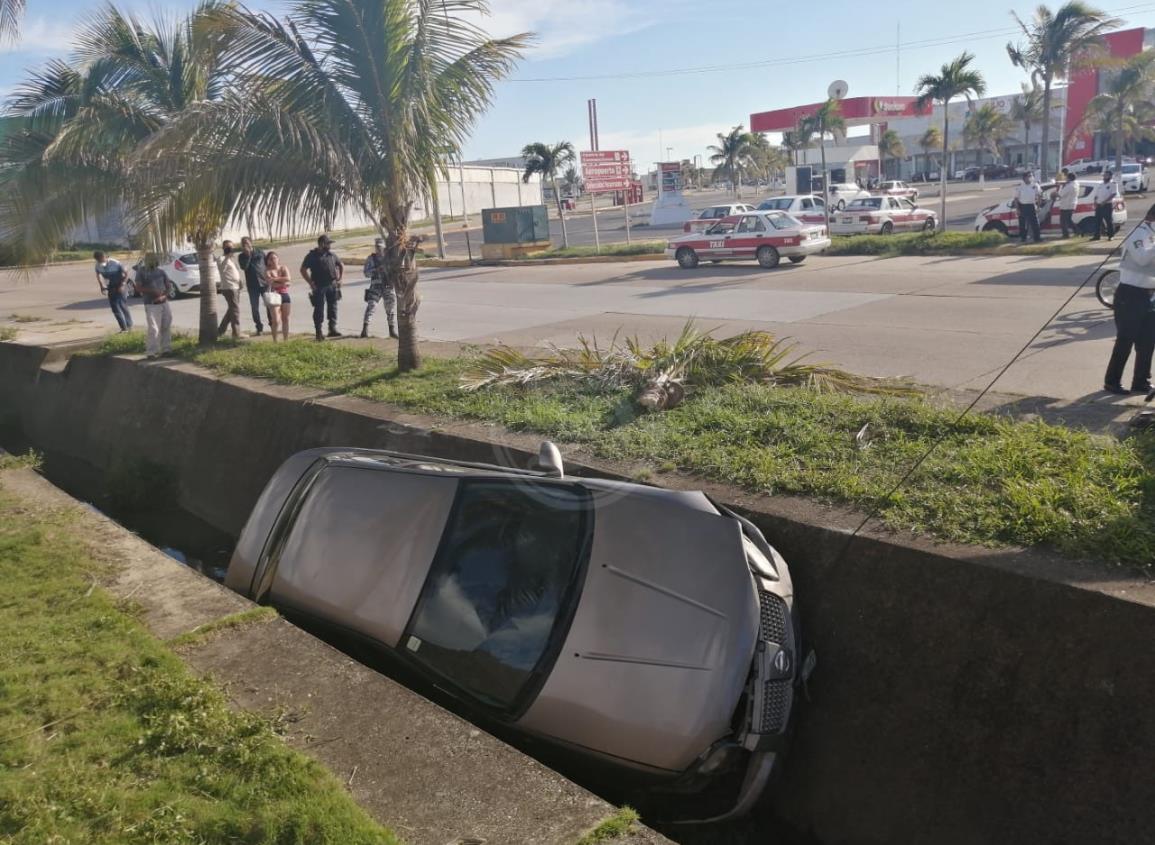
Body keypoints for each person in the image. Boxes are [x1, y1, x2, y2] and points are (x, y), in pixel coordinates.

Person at [1103, 203, 1155, 395]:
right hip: (1130, 295)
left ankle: (1141, 382)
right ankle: (1112, 381)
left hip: (1150, 296)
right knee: (1125, 340)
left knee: (1148, 342)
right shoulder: (1137, 233)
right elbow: (1142, 259)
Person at [300, 234, 344, 341]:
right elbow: (303, 270)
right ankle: (318, 332)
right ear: (322, 244)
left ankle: (332, 328)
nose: (329, 245)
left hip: (332, 285)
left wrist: (340, 279)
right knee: (319, 309)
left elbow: (341, 265)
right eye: (328, 243)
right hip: (319, 286)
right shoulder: (312, 256)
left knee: (333, 307)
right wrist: (310, 283)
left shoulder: (331, 255)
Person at [135, 254, 173, 359]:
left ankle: (166, 349)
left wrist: (163, 296)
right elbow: (138, 288)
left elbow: (168, 287)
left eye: (155, 260)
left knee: (166, 326)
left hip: (164, 303)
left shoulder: (161, 272)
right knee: (154, 329)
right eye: (151, 260)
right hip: (151, 304)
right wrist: (152, 291)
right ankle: (151, 352)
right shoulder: (141, 272)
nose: (154, 262)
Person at [361, 237, 397, 339]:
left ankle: (392, 331)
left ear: (384, 248)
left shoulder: (389, 259)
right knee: (371, 306)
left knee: (390, 309)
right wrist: (376, 270)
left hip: (388, 286)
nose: (379, 249)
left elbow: (395, 272)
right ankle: (365, 329)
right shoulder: (371, 259)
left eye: (380, 247)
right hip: (375, 286)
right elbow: (366, 273)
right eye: (377, 247)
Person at [94, 251, 133, 332]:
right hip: (110, 287)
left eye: (101, 260)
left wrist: (122, 285)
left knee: (122, 305)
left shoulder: (115, 263)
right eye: (98, 260)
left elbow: (126, 274)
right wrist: (101, 286)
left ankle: (129, 326)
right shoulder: (98, 265)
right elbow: (98, 275)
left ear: (105, 257)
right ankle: (123, 328)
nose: (100, 262)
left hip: (120, 285)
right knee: (115, 308)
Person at [237, 236, 266, 335]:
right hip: (252, 286)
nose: (245, 244)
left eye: (247, 242)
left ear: (251, 243)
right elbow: (244, 267)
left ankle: (272, 323)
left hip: (264, 283)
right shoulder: (241, 256)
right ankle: (259, 327)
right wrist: (248, 255)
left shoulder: (260, 252)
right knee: (254, 308)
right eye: (243, 243)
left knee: (269, 304)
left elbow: (266, 264)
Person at [216, 240, 243, 339]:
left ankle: (220, 330)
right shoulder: (221, 258)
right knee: (235, 310)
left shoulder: (232, 259)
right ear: (223, 248)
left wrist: (240, 282)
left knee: (232, 310)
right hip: (229, 287)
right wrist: (227, 256)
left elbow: (235, 272)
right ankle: (236, 333)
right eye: (228, 248)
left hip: (235, 287)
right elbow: (222, 269)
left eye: (231, 247)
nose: (230, 249)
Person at [263, 250, 292, 342]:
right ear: (268, 261)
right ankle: (275, 340)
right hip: (274, 295)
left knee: (286, 318)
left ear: (278, 259)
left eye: (275, 258)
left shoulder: (283, 268)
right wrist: (283, 282)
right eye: (271, 259)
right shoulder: (267, 271)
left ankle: (285, 340)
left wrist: (275, 279)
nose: (273, 260)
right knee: (275, 320)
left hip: (284, 294)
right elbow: (271, 283)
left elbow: (288, 278)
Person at [1012, 172, 1041, 244]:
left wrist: (1038, 207)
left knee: (1035, 223)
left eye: (1031, 176)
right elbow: (1016, 199)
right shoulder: (1020, 186)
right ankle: (1023, 238)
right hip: (1023, 206)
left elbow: (1039, 196)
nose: (1031, 177)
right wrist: (1017, 209)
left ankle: (1037, 238)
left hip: (1032, 206)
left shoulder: (1035, 185)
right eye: (1029, 176)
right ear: (1024, 178)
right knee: (1022, 224)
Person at [1091, 170, 1119, 241]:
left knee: (1108, 221)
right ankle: (1097, 236)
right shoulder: (1101, 184)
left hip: (1107, 205)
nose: (1104, 176)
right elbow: (1097, 194)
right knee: (1097, 221)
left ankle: (1111, 236)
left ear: (1110, 176)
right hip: (1099, 205)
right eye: (1104, 175)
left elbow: (1113, 194)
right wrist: (1095, 201)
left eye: (1106, 175)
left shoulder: (1113, 184)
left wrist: (1105, 201)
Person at [1057, 171, 1079, 239]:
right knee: (1068, 220)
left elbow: (1060, 194)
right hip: (1071, 204)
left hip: (1066, 205)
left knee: (1063, 221)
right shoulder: (1076, 183)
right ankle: (1077, 231)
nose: (1066, 179)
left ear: (1069, 178)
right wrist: (1064, 183)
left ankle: (1066, 235)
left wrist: (1060, 186)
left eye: (1066, 178)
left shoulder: (1069, 186)